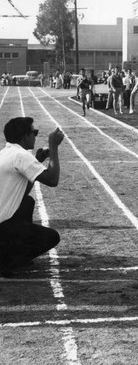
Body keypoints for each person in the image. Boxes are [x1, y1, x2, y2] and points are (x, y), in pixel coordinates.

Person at [0, 117, 64, 277]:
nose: (35, 135)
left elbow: (22, 191)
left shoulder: (7, 152)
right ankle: (8, 258)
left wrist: (39, 160)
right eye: (33, 132)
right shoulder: (21, 155)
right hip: (2, 226)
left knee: (27, 202)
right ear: (24, 136)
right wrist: (53, 147)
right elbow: (52, 179)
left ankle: (13, 252)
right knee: (51, 237)